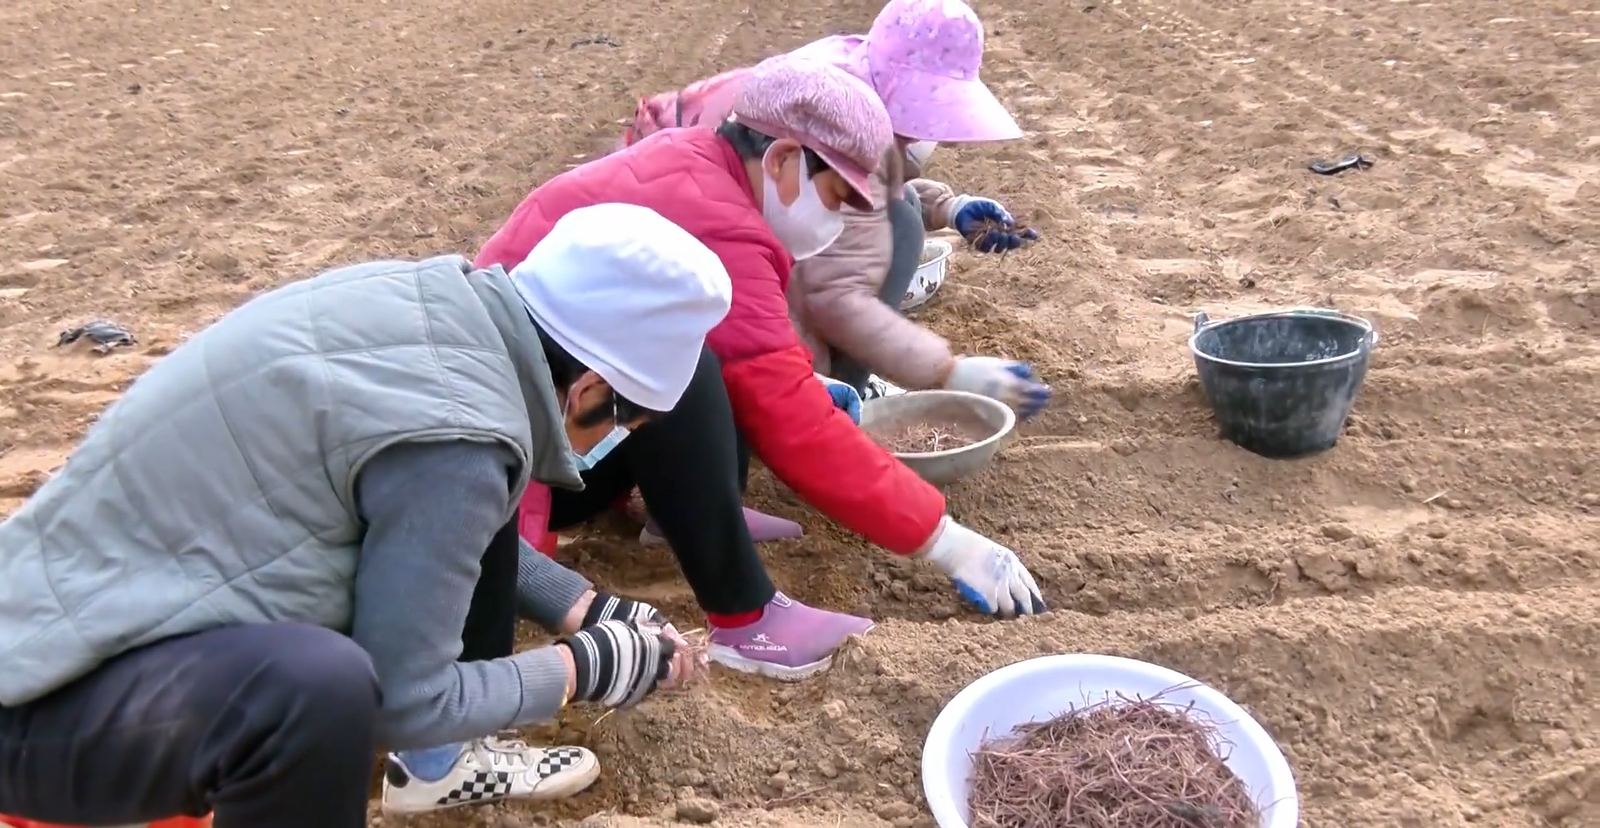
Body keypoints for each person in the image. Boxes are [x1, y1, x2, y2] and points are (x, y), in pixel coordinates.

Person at [0, 203, 730, 828]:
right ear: (591, 390)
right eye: (624, 424)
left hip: (62, 624)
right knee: (312, 695)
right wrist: (583, 667)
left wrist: (589, 608)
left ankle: (442, 761)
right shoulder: (462, 441)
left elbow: (439, 527)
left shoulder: (438, 319)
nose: (611, 443)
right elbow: (408, 706)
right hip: (39, 711)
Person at [476, 56, 1046, 687]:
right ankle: (747, 617)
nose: (837, 222)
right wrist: (946, 541)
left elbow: (758, 349)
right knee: (692, 369)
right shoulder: (720, 221)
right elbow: (792, 423)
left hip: (546, 427)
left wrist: (802, 378)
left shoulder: (697, 163)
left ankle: (681, 509)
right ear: (782, 159)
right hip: (510, 480)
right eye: (836, 199)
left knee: (700, 360)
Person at [625, 0, 1049, 408]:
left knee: (894, 216)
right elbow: (834, 297)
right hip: (679, 260)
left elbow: (858, 191)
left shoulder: (848, 78)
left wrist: (950, 207)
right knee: (893, 233)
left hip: (664, 192)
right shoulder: (837, 120)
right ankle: (833, 394)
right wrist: (947, 370)